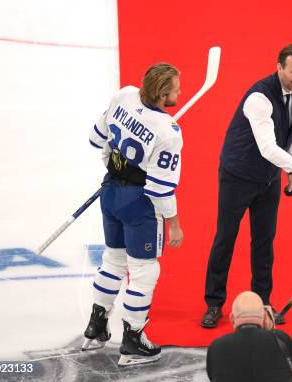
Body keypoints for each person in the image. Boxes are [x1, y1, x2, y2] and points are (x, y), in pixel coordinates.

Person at [202, 44, 292, 328]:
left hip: (267, 180)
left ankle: (263, 302)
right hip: (238, 176)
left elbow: (291, 130)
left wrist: (291, 171)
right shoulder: (258, 98)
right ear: (279, 67)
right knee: (226, 237)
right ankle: (214, 303)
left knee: (264, 241)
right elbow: (268, 148)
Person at [83, 62, 184, 366]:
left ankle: (96, 324)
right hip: (139, 204)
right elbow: (160, 188)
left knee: (113, 260)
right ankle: (132, 340)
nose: (180, 92)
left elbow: (96, 139)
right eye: (176, 88)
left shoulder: (124, 95)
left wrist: (116, 169)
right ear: (162, 93)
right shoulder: (169, 133)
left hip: (110, 193)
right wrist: (174, 224)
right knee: (144, 271)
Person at [206, 291, 292, 381]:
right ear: (265, 317)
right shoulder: (280, 339)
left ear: (232, 319)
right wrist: (272, 332)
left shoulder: (217, 346)